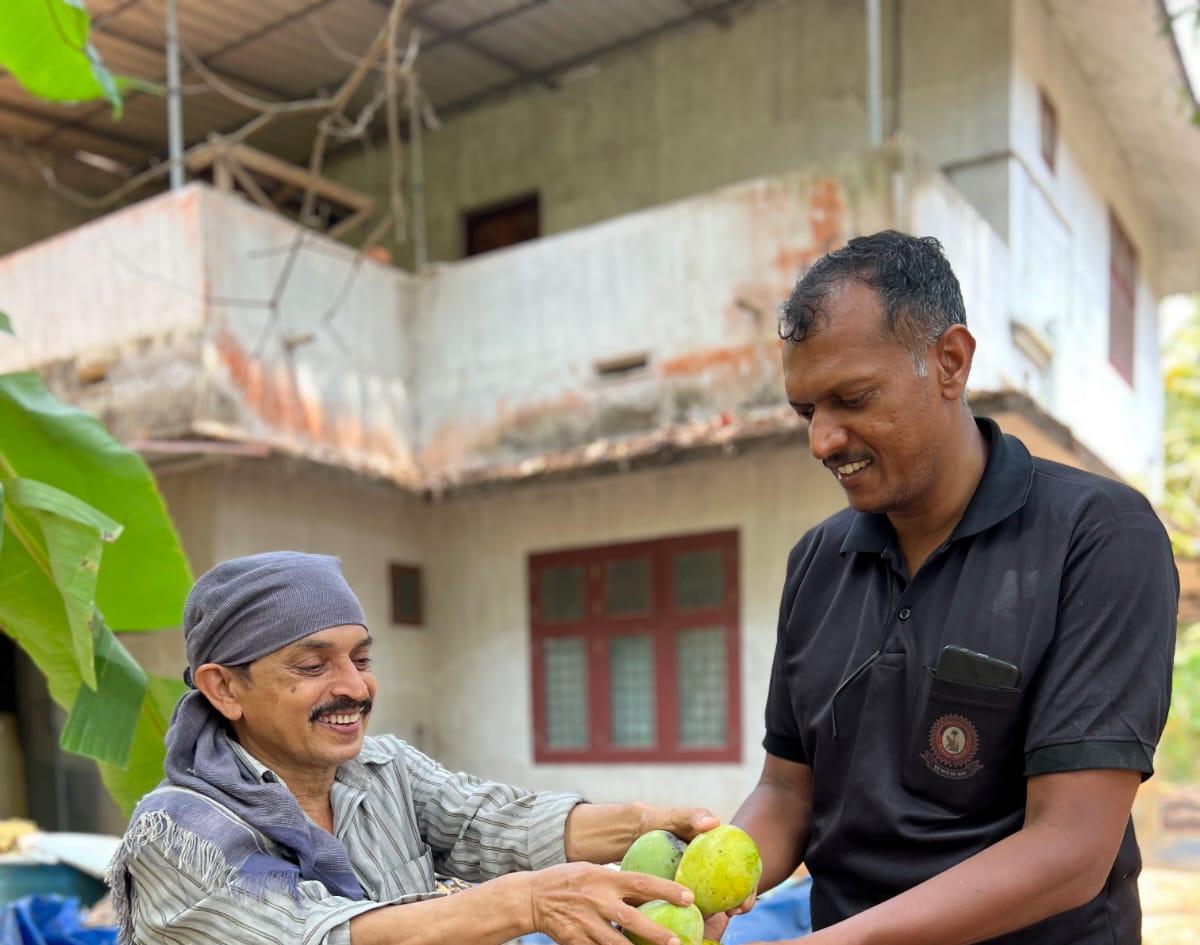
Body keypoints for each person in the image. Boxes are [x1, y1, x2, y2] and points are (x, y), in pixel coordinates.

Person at [733, 231, 1178, 943]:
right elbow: (787, 790)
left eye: (851, 398)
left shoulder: (1097, 538)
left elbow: (1071, 849)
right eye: (806, 411)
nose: (822, 440)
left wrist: (843, 941)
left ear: (950, 361)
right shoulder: (816, 560)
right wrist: (696, 888)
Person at [109, 551, 728, 945]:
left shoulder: (381, 770)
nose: (354, 687)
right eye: (312, 664)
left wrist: (650, 828)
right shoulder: (177, 835)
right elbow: (316, 937)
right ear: (224, 689)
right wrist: (531, 901)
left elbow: (491, 823)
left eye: (361, 657)